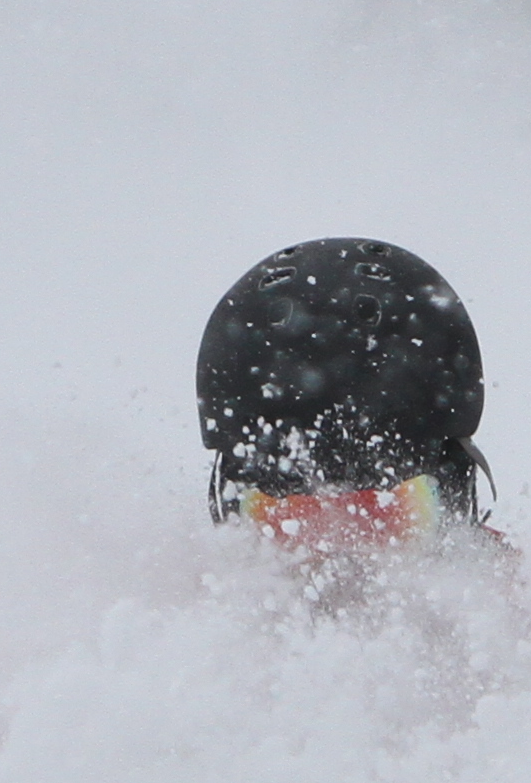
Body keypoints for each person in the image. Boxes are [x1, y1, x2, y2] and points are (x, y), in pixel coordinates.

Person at [196, 237, 504, 565]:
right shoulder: (174, 601)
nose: (338, 565)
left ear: (456, 511)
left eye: (384, 519)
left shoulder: (521, 604)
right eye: (289, 525)